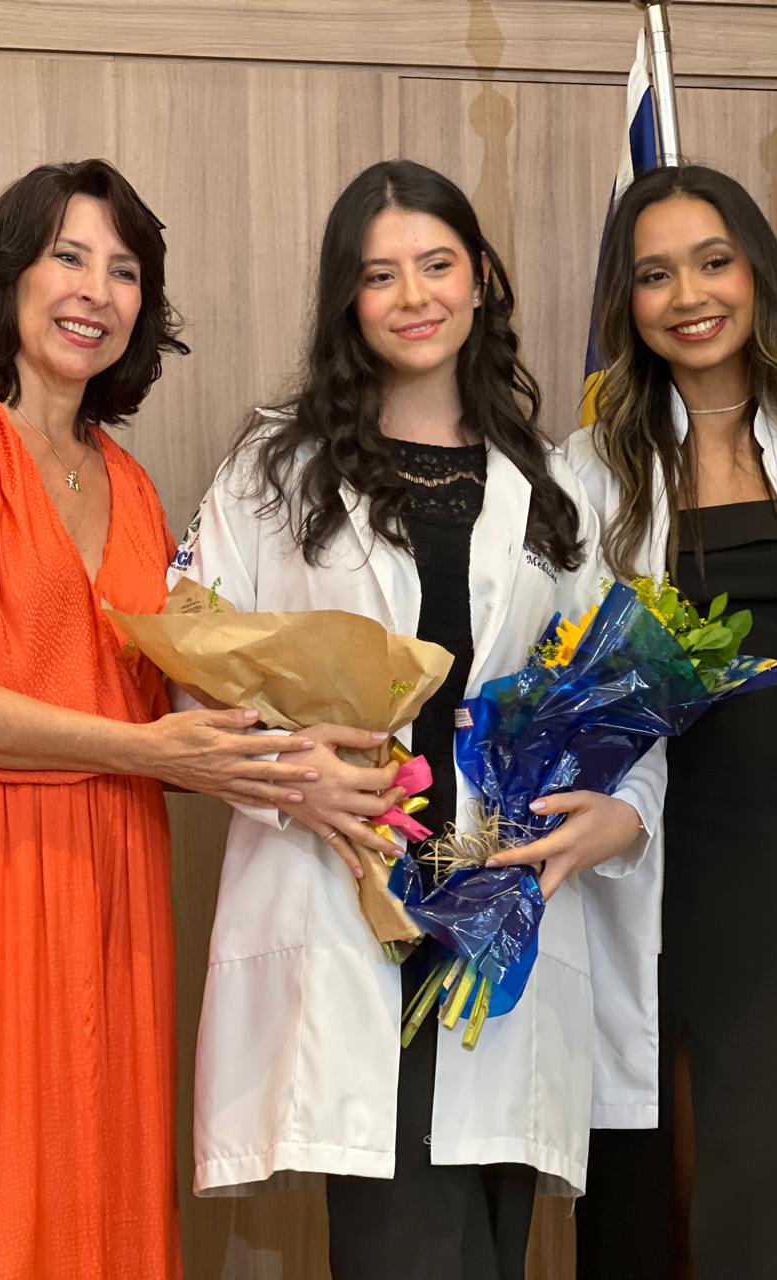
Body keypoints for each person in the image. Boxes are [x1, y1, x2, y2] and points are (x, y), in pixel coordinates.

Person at [171, 158, 665, 1280]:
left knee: (487, 1243)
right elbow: (193, 670)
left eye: (436, 264)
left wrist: (623, 815)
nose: (413, 296)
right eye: (379, 274)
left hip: (503, 900)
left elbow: (619, 696)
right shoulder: (275, 469)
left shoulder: (555, 486)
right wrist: (289, 770)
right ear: (347, 298)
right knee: (407, 1237)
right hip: (357, 896)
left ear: (480, 276)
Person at [0, 158, 324, 1279]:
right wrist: (136, 749)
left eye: (124, 270)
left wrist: (319, 750)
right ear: (10, 275)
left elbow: (177, 703)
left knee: (101, 1194)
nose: (94, 291)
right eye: (68, 256)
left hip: (118, 883)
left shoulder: (137, 488)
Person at [567, 163, 777, 1280]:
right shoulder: (590, 469)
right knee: (652, 1211)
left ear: (758, 271)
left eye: (714, 261)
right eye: (655, 274)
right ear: (626, 301)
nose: (689, 295)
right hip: (646, 874)